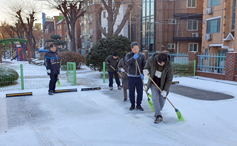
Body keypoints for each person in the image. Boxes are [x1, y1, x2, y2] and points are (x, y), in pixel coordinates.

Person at [143, 52, 173, 123]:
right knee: (155, 98)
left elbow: (169, 79)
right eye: (160, 63)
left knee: (162, 99)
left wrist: (165, 90)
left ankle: (157, 111)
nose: (161, 65)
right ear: (157, 60)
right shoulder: (152, 60)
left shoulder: (169, 66)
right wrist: (146, 70)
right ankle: (159, 115)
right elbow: (147, 67)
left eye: (163, 64)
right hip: (154, 83)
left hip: (163, 85)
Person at [125, 42, 146, 111]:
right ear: (131, 49)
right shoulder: (128, 55)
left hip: (139, 77)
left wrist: (143, 73)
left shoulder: (142, 56)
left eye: (137, 48)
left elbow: (144, 66)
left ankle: (139, 104)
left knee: (140, 92)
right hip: (131, 77)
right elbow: (127, 62)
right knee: (131, 91)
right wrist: (133, 58)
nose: (136, 50)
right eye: (135, 49)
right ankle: (132, 104)